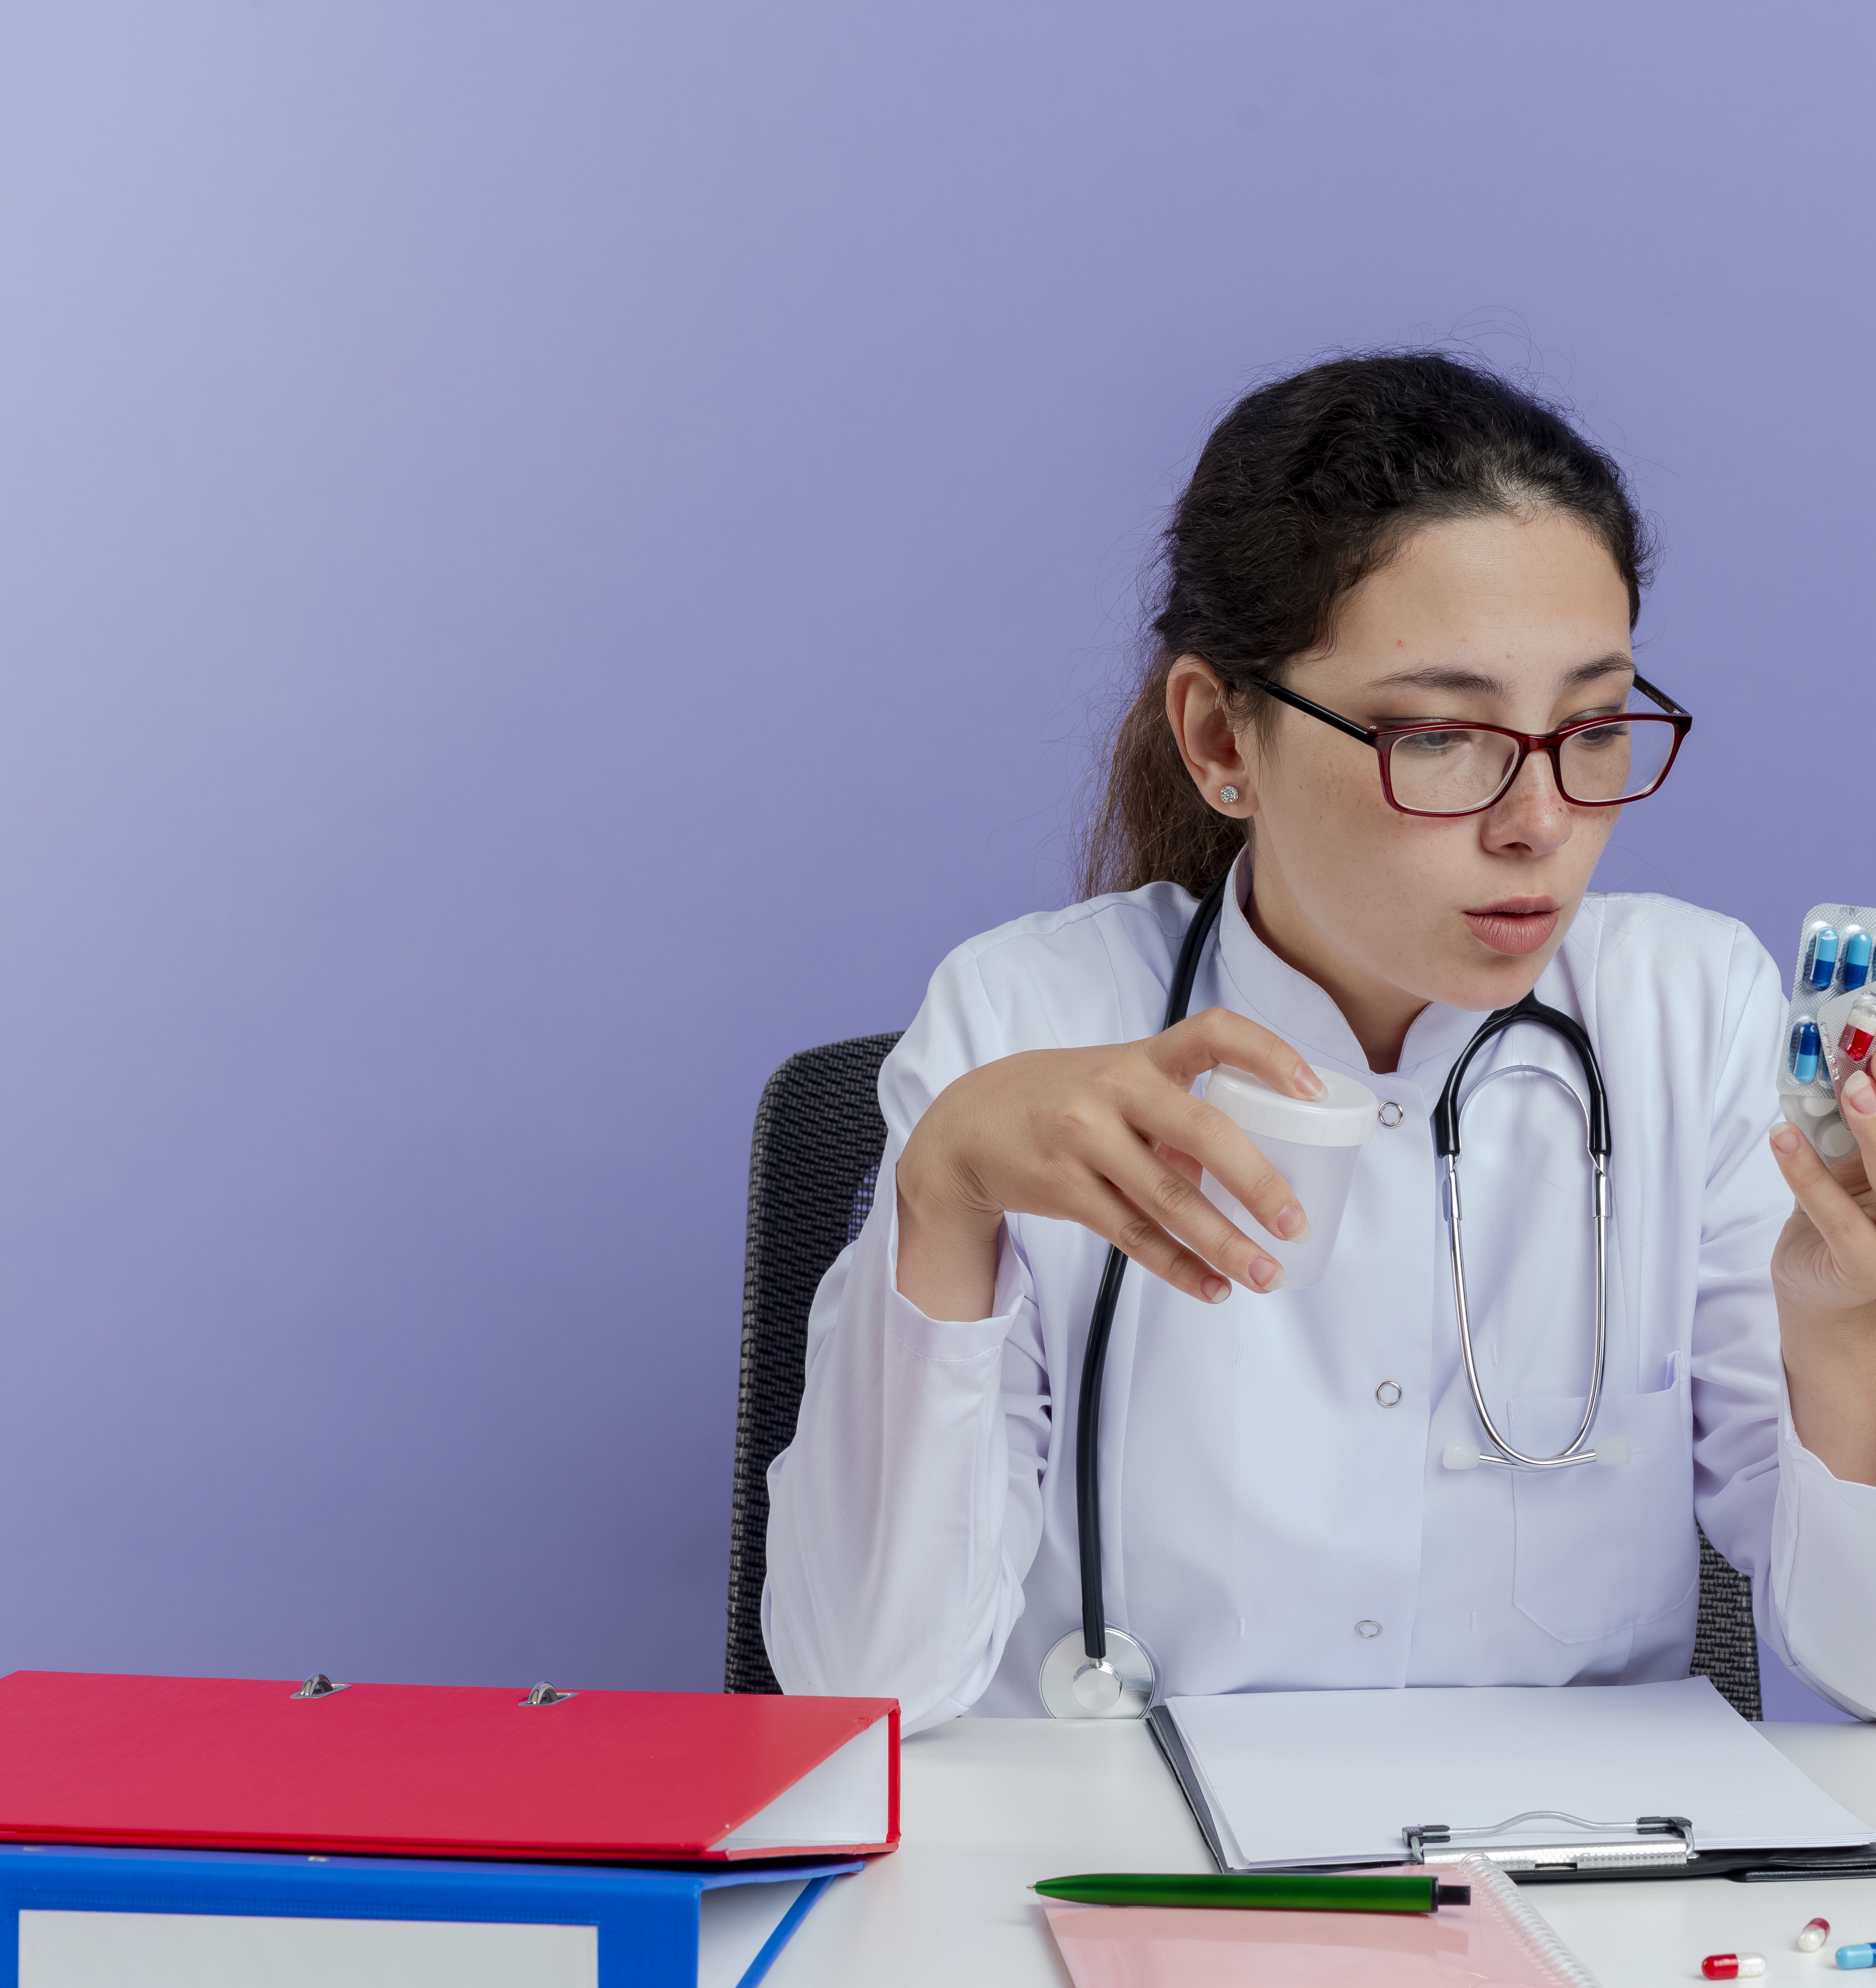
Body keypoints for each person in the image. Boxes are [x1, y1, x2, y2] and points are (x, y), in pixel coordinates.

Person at [762, 352, 1876, 1732]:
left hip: (1565, 1882)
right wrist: (945, 1193)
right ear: (1223, 737)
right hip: (1114, 1879)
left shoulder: (1689, 1012)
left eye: (1592, 727)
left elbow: (1865, 1663)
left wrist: (1844, 1336)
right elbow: (866, 1685)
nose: (1540, 819)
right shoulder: (1021, 1018)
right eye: (1445, 736)